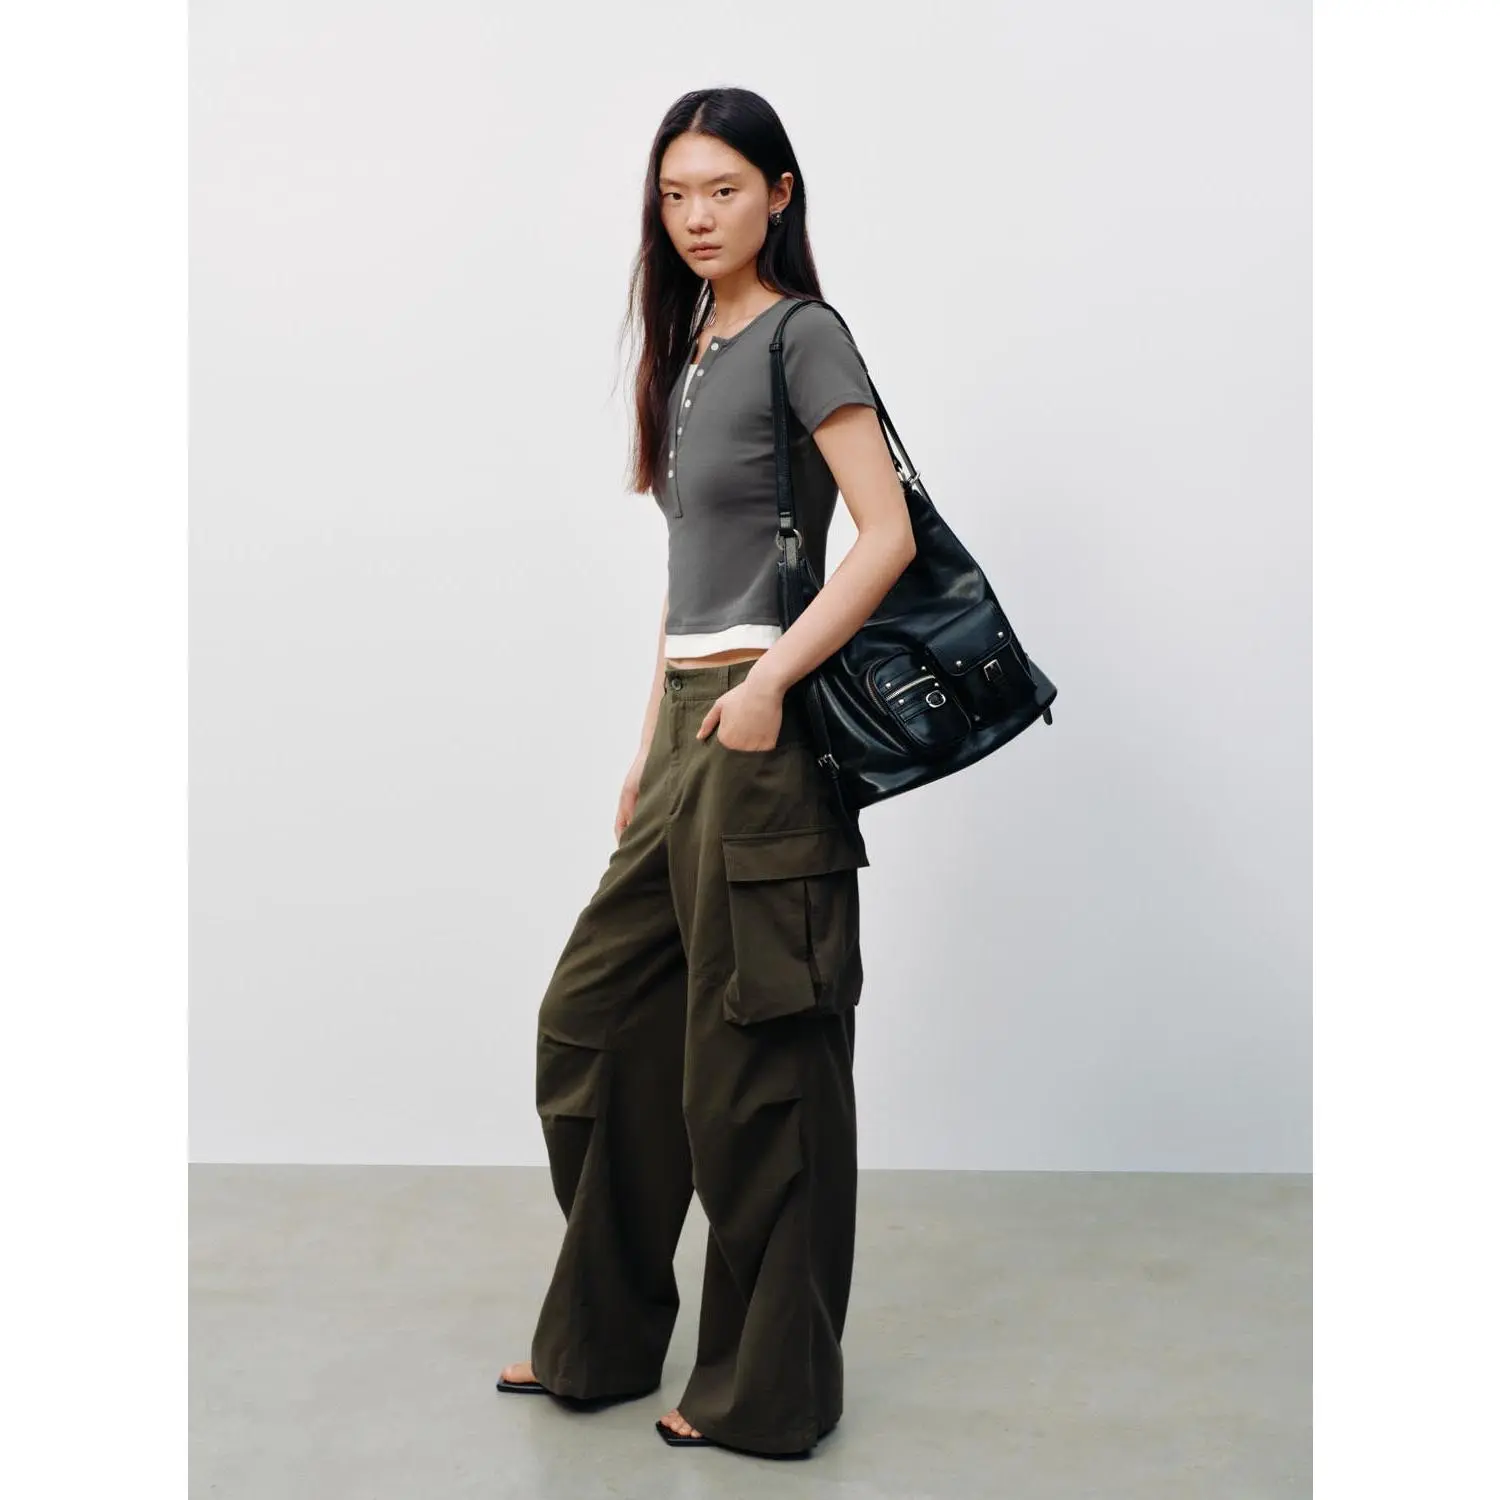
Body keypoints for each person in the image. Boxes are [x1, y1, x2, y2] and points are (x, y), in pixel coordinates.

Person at [495, 86, 916, 1459]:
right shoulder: (688, 353)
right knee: (595, 1026)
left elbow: (886, 534)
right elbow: (689, 582)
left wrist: (769, 686)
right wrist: (647, 743)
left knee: (759, 1073)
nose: (696, 216)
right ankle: (602, 1334)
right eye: (675, 193)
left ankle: (764, 1390)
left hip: (761, 725)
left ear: (779, 195)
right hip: (690, 721)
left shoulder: (804, 334)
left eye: (723, 189)